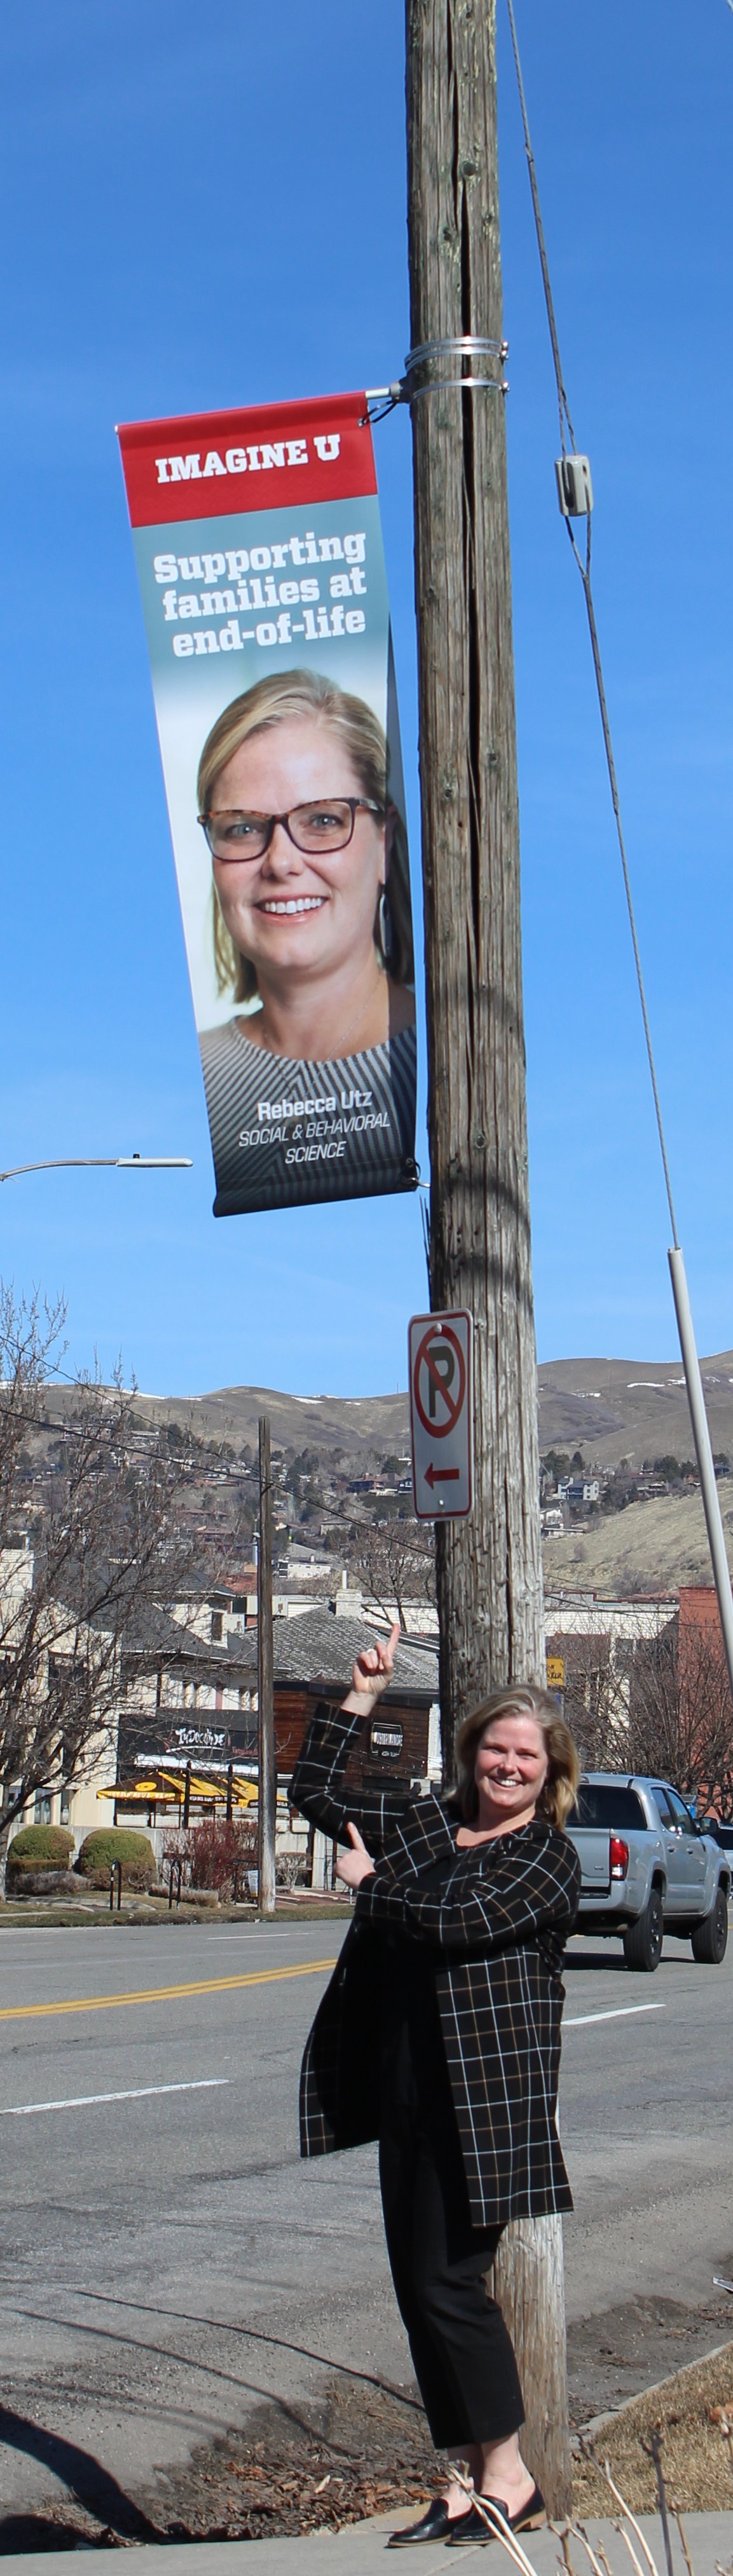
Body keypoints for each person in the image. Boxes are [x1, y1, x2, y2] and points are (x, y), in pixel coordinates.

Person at [291, 1631, 581, 2545]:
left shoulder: (545, 1859)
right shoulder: (425, 1823)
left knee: (453, 2281)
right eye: (495, 1747)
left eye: (525, 1754)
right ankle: (467, 2473)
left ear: (550, 1772)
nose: (506, 1764)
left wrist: (371, 1889)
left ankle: (510, 2472)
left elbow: (459, 1921)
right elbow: (318, 1796)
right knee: (419, 2285)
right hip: (406, 2084)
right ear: (471, 1754)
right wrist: (362, 1699)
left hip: (486, 2102)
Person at [196, 670, 416, 1213]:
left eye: (321, 819)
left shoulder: (442, 1052)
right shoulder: (200, 1072)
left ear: (384, 840)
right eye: (242, 827)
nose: (281, 862)